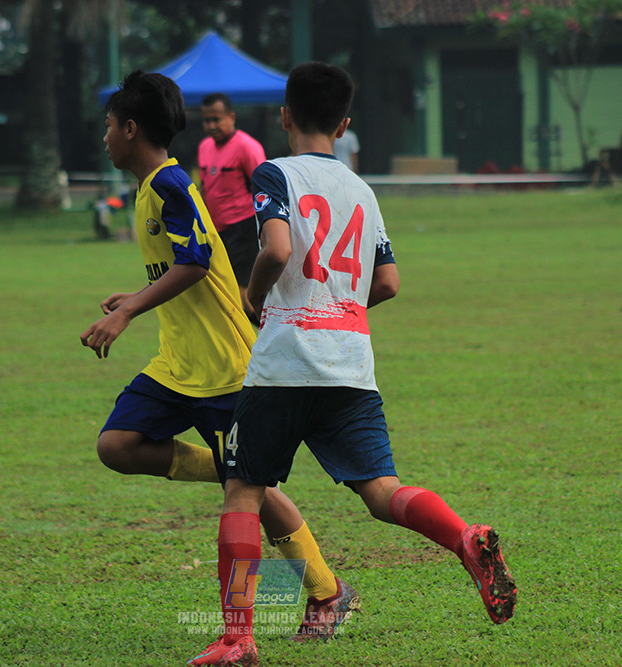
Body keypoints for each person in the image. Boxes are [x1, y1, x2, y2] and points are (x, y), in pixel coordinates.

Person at [190, 62, 518, 667]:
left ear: (284, 116)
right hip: (350, 365)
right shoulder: (363, 190)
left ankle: (237, 637)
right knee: (382, 491)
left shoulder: (273, 172)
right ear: (344, 124)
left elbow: (278, 247)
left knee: (242, 491)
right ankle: (462, 536)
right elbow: (388, 282)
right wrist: (339, 306)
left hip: (284, 364)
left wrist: (256, 297)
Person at [80, 71, 356, 643]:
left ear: (131, 129)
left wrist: (127, 312)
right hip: (179, 363)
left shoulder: (169, 185)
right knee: (118, 445)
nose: (104, 137)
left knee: (256, 493)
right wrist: (135, 296)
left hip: (226, 367)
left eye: (108, 127)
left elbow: (199, 259)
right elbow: (182, 265)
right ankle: (233, 474)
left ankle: (328, 591)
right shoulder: (151, 187)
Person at [198, 93, 267, 324]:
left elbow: (263, 190)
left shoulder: (248, 147)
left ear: (232, 117)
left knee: (239, 293)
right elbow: (205, 187)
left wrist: (264, 228)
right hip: (216, 231)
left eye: (216, 119)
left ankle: (266, 334)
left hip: (243, 227)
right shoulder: (205, 147)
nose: (211, 125)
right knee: (225, 292)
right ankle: (259, 334)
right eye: (207, 120)